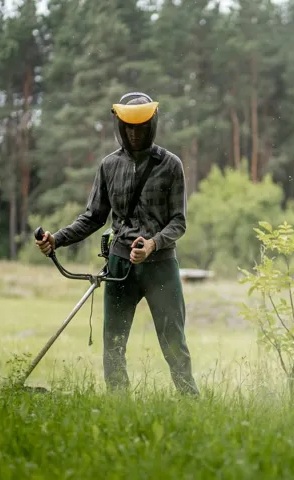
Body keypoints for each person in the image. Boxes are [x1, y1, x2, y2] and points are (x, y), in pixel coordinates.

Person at [35, 92, 199, 397]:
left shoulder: (171, 165)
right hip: (119, 266)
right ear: (120, 126)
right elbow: (93, 217)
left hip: (160, 266)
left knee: (173, 341)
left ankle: (192, 402)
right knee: (112, 341)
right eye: (128, 127)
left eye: (140, 127)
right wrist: (56, 239)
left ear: (152, 125)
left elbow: (179, 222)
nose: (134, 133)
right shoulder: (109, 166)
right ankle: (118, 406)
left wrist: (152, 244)